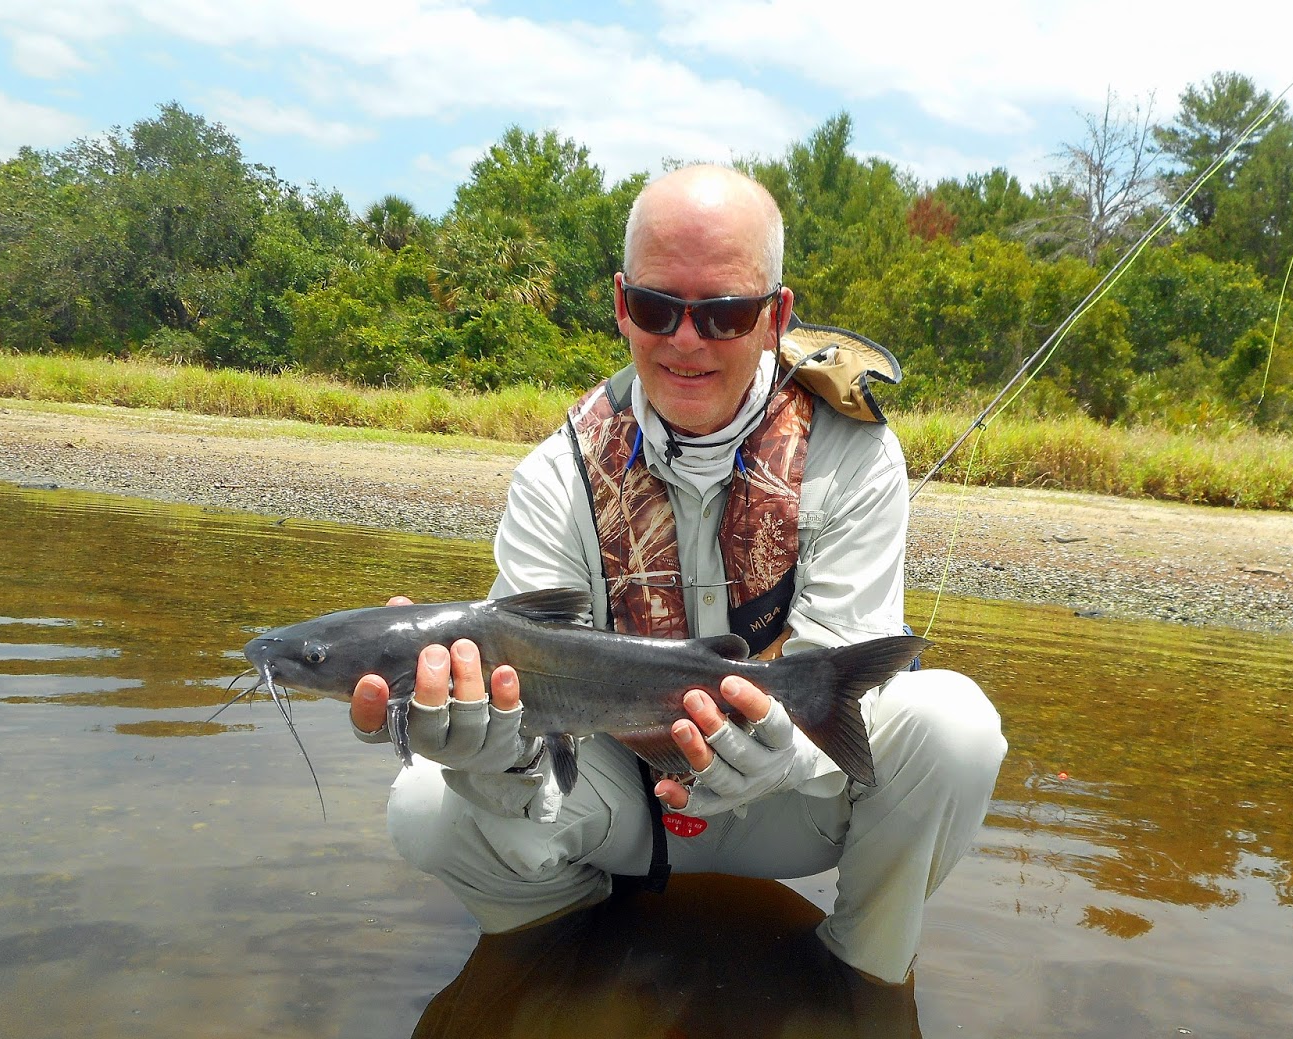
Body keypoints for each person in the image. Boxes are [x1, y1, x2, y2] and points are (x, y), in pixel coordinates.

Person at [350, 164, 1006, 984]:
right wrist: (485, 753)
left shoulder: (854, 454)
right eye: (658, 308)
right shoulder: (556, 476)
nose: (685, 340)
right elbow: (528, 712)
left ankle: (862, 981)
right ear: (623, 305)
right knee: (426, 800)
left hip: (790, 805)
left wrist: (773, 755)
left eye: (725, 313)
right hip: (617, 807)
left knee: (956, 727)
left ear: (776, 316)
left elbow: (847, 669)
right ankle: (557, 958)